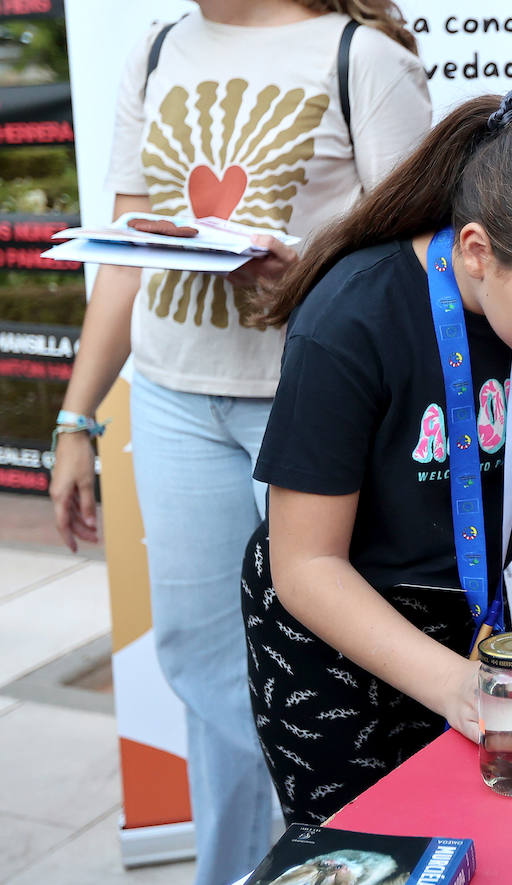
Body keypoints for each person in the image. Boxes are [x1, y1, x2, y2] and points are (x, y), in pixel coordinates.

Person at [47, 2, 430, 881]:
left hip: (311, 405)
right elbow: (125, 254)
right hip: (173, 399)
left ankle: (351, 854)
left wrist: (307, 274)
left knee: (330, 657)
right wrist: (76, 418)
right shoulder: (159, 48)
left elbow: (414, 263)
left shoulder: (364, 59)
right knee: (201, 660)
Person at [240, 92, 512, 823]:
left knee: (475, 833)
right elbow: (306, 565)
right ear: (478, 251)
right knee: (366, 850)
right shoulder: (351, 319)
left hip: (463, 618)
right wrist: (451, 684)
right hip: (335, 630)